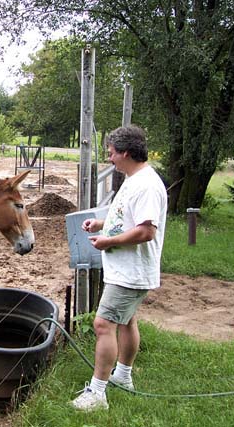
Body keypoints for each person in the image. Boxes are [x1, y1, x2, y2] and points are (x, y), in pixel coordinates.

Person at [71, 125, 168, 411]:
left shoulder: (148, 185)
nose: (110, 158)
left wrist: (109, 240)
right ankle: (123, 377)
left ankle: (97, 394)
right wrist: (102, 224)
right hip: (125, 268)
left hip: (131, 271)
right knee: (126, 320)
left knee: (103, 325)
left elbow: (146, 231)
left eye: (112, 153)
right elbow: (128, 216)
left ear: (125, 152)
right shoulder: (134, 178)